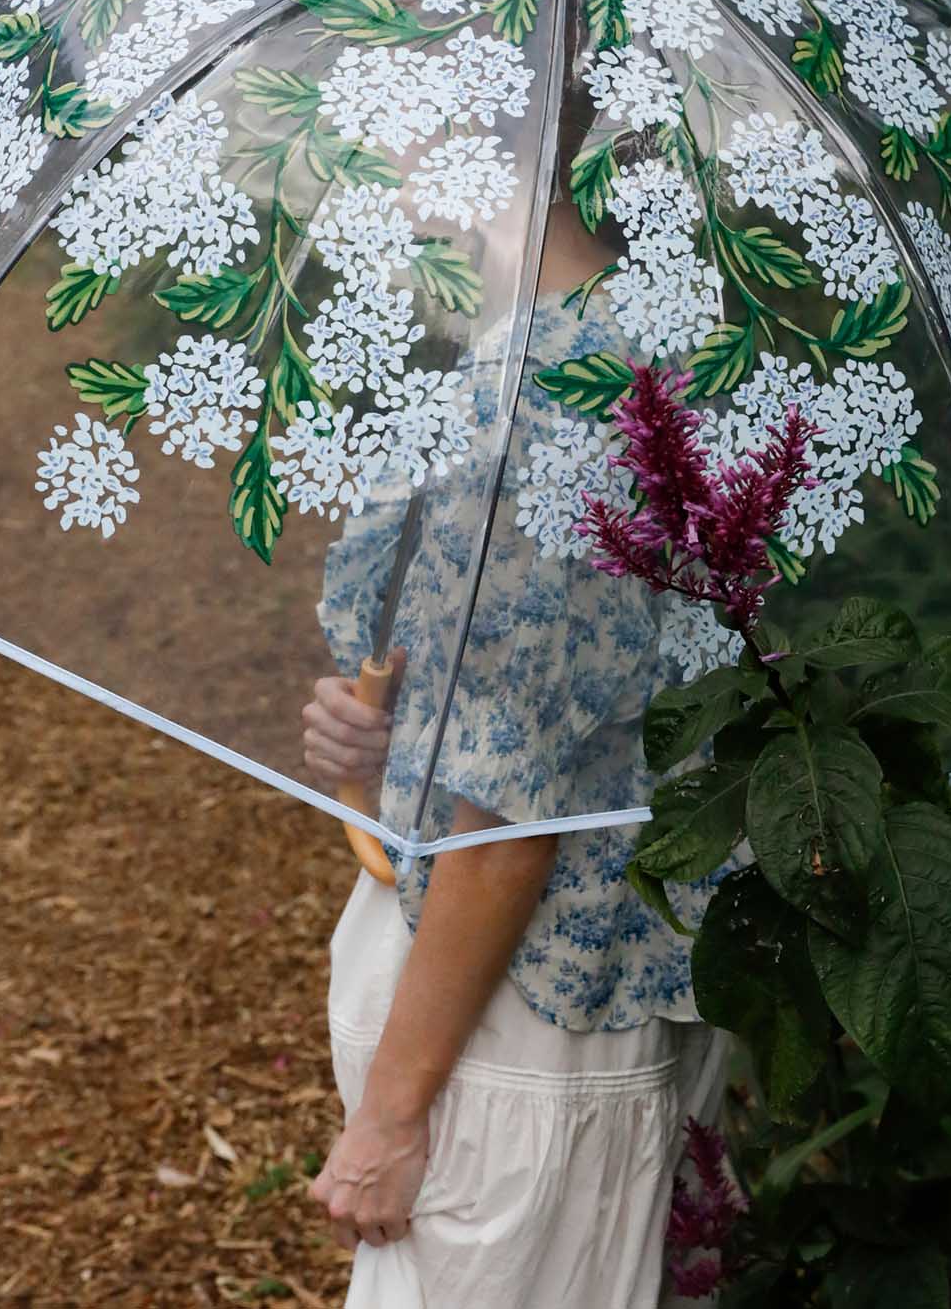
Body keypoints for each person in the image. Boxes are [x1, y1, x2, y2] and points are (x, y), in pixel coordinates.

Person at [301, 192, 732, 1309]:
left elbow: (504, 827)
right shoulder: (646, 336)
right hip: (551, 1029)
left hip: (518, 1046)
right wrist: (380, 740)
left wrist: (390, 1119)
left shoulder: (548, 405)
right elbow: (586, 706)